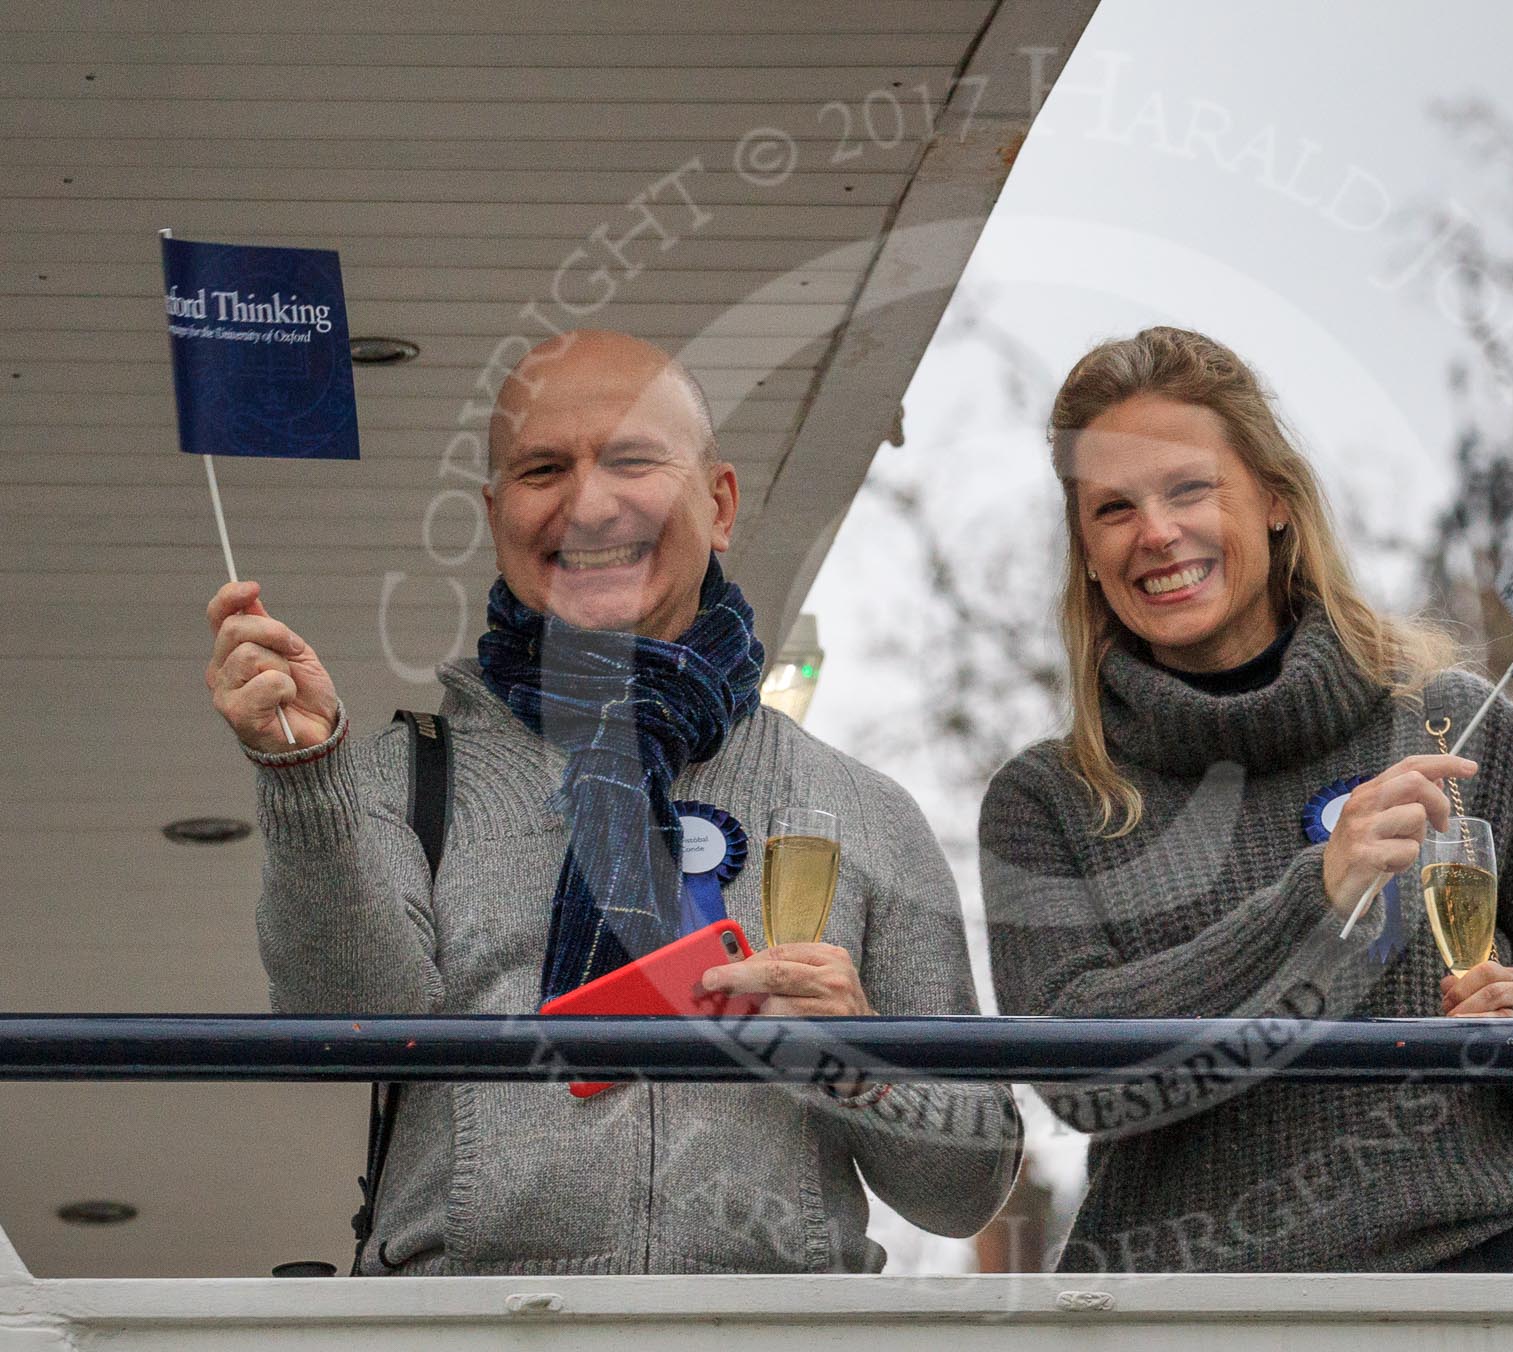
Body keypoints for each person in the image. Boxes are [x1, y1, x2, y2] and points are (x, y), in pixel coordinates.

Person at [206, 330, 1020, 1275]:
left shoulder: (862, 810)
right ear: (496, 512)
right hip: (470, 1337)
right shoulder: (400, 775)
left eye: (632, 460)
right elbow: (342, 1026)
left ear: (718, 504)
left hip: (772, 1342)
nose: (589, 505)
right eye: (543, 469)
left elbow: (964, 1192)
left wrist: (857, 1059)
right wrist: (305, 782)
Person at [980, 326, 1513, 1273]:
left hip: (1475, 1284)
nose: (1156, 533)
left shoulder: (1451, 727)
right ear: (1086, 551)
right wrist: (1316, 894)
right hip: (1187, 1315)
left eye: (1190, 489)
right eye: (1114, 508)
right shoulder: (1052, 800)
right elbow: (1081, 1072)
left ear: (1276, 500)